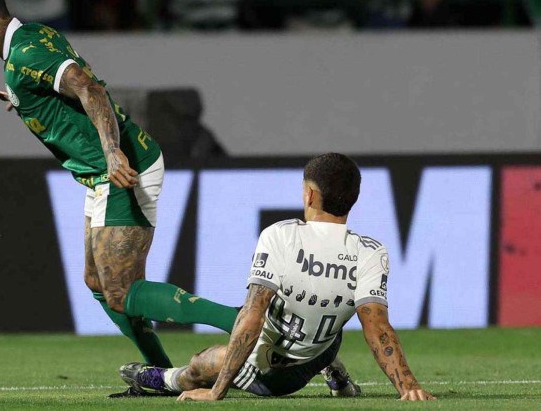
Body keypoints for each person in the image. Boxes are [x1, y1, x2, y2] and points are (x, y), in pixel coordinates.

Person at [0, 0, 241, 397]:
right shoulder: (31, 40)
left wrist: (113, 152)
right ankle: (162, 376)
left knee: (119, 291)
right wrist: (21, 98)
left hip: (119, 167)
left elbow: (90, 89)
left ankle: (242, 319)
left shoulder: (27, 51)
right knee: (97, 282)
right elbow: (58, 85)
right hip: (101, 171)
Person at [119, 153, 436, 401]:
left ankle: (161, 379)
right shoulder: (370, 250)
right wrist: (409, 387)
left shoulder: (281, 235)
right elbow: (376, 327)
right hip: (323, 348)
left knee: (201, 364)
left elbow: (253, 315)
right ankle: (333, 368)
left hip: (272, 377)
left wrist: (217, 390)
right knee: (316, 315)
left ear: (310, 195)